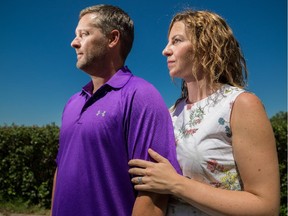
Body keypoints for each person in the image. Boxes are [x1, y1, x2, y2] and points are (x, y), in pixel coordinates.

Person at [128, 10, 280, 215]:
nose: (166, 50)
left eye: (177, 41)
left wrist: (176, 184)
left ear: (206, 45)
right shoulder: (169, 113)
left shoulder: (240, 104)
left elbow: (266, 207)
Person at [51, 4, 181, 216]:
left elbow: (154, 192)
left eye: (84, 34)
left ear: (112, 39)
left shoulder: (141, 96)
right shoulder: (72, 102)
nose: (74, 43)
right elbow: (61, 169)